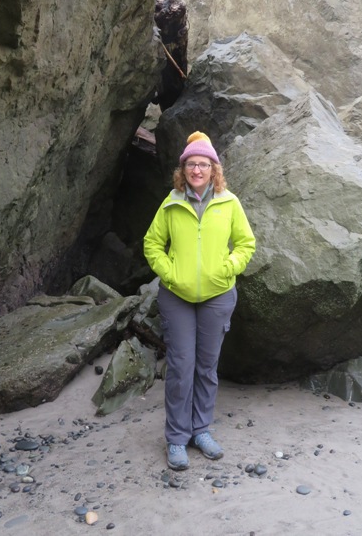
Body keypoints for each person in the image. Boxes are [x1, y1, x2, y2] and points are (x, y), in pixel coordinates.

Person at [144, 131, 256, 471]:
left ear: (213, 168)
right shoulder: (171, 202)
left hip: (218, 296)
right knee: (180, 367)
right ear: (183, 168)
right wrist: (170, 274)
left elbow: (246, 244)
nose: (197, 170)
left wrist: (228, 268)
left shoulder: (229, 202)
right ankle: (177, 438)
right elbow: (152, 244)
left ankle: (200, 431)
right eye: (191, 164)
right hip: (177, 297)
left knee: (206, 368)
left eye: (203, 164)